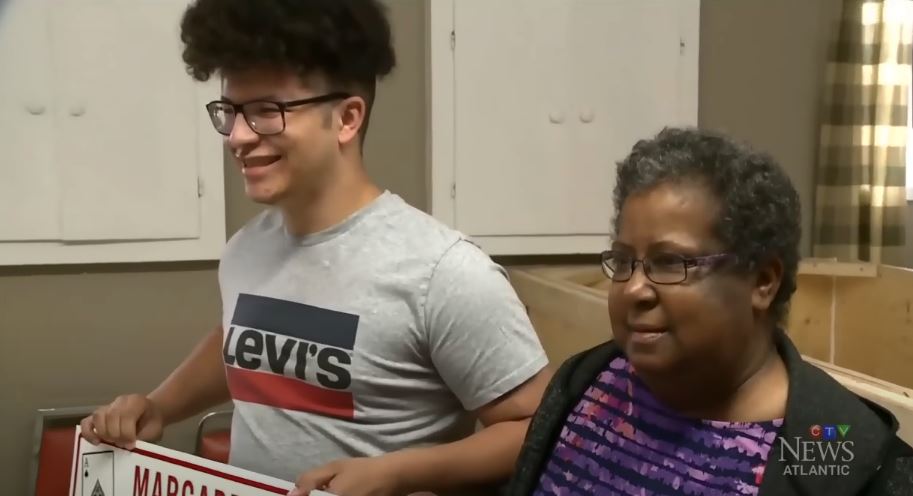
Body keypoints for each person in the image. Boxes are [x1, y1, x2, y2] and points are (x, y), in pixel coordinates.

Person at [80, 1, 552, 495]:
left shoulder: (446, 273)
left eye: (267, 111)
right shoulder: (246, 249)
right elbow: (245, 340)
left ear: (346, 118)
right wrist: (158, 406)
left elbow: (534, 430)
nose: (238, 136)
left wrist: (398, 473)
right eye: (231, 111)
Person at [504, 127, 913, 495]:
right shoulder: (584, 384)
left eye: (670, 263)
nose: (633, 290)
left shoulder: (839, 455)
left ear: (762, 281)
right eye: (624, 261)